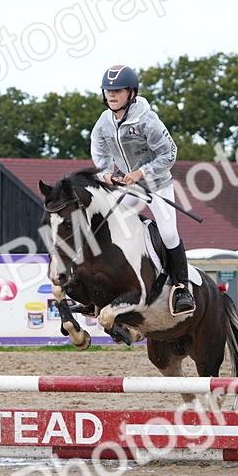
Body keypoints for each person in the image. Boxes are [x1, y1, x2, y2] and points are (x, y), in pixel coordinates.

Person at [90, 64, 194, 314]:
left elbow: (169, 153)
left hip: (157, 185)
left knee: (169, 234)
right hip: (129, 188)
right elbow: (99, 152)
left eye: (118, 90)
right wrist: (106, 174)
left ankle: (182, 288)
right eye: (108, 90)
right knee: (102, 225)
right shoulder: (104, 122)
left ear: (132, 93)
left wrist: (141, 172)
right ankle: (98, 285)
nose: (111, 95)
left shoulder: (147, 120)